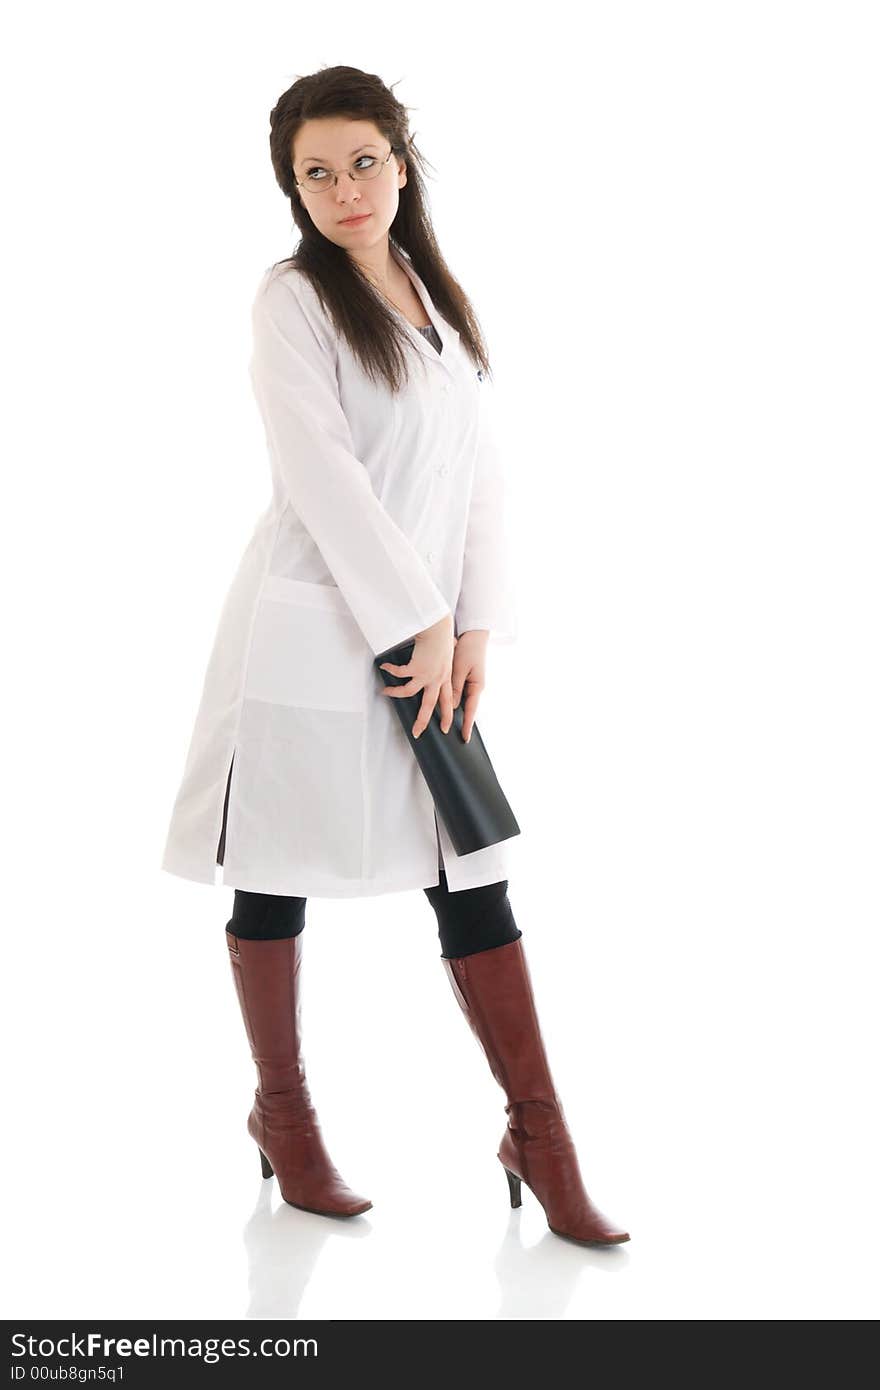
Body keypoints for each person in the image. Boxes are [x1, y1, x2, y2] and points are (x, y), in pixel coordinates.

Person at [161, 64, 629, 1247]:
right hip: (318, 631)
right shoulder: (289, 302)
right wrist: (416, 617)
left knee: (474, 875)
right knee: (271, 871)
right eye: (315, 173)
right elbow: (321, 475)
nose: (343, 188)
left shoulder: (432, 294)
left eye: (362, 161)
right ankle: (285, 1116)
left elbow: (477, 470)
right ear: (293, 189)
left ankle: (541, 1135)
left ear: (402, 163)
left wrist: (471, 625)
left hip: (427, 642)